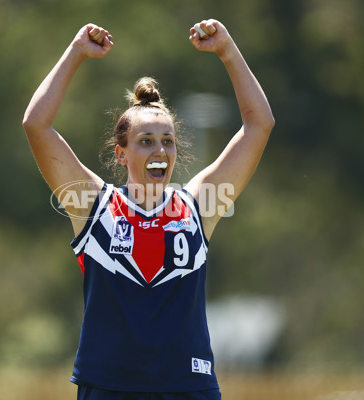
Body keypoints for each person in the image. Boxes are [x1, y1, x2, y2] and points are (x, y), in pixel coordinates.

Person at [22, 19, 274, 400]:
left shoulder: (198, 206)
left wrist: (228, 51)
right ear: (121, 154)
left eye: (168, 141)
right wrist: (76, 52)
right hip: (110, 388)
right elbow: (36, 125)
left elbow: (259, 125)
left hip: (188, 388)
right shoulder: (93, 205)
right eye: (146, 141)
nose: (160, 150)